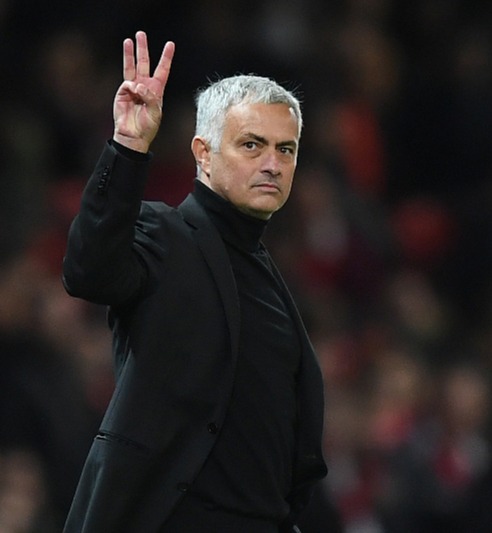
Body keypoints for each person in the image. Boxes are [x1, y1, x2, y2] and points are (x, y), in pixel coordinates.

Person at [62, 31, 328, 533]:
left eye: (286, 149)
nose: (273, 163)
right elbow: (87, 271)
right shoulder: (162, 234)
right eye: (252, 145)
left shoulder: (271, 274)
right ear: (203, 154)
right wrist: (129, 145)